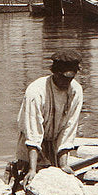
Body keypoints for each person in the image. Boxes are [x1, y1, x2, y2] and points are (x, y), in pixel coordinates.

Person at [15, 49, 84, 188]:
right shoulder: (36, 91)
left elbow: (69, 128)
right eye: (64, 78)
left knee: (57, 179)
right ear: (55, 72)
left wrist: (63, 165)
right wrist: (32, 169)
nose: (67, 82)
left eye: (71, 78)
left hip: (54, 141)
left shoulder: (75, 91)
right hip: (31, 145)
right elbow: (33, 131)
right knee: (29, 179)